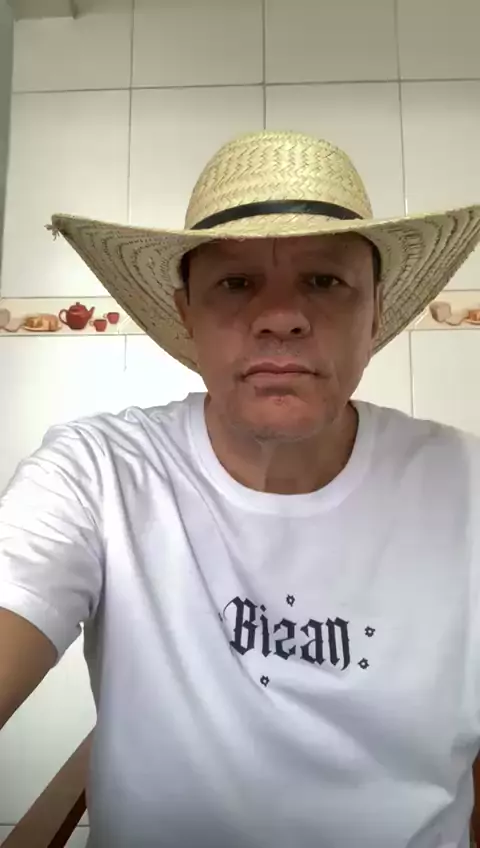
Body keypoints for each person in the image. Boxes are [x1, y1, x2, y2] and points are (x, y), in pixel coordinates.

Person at [1, 130, 480, 848]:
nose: (281, 317)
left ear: (377, 311)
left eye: (325, 281)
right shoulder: (99, 473)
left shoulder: (466, 489)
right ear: (186, 313)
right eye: (235, 282)